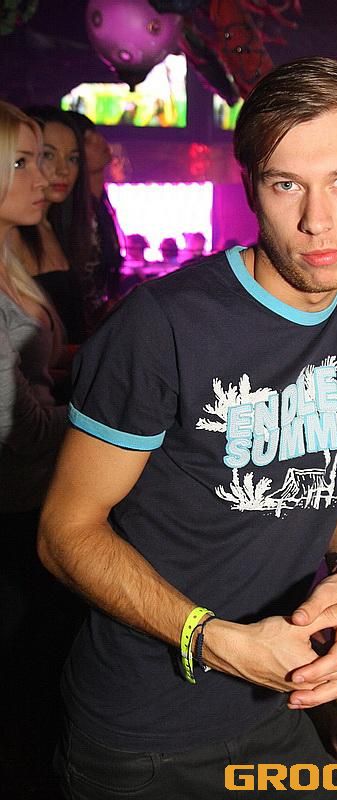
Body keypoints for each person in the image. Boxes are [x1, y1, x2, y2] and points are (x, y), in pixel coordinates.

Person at [38, 57, 337, 799]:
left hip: (276, 704)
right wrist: (211, 640)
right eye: (286, 185)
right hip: (143, 733)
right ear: (251, 187)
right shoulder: (162, 326)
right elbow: (63, 532)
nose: (316, 221)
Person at [0, 100, 77, 797]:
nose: (42, 176)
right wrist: (101, 413)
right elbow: (17, 429)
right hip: (13, 509)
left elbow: (36, 377)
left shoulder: (9, 258)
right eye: (22, 161)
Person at [15, 106, 92, 343]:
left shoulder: (58, 226)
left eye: (73, 158)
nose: (63, 170)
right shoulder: (11, 234)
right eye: (48, 155)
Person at [66, 111, 124, 329]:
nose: (100, 140)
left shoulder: (100, 208)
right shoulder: (74, 214)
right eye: (87, 140)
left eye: (96, 133)